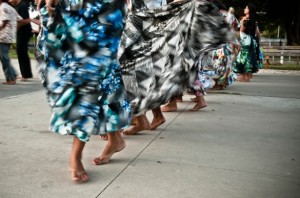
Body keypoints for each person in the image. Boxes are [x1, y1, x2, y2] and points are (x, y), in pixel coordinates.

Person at [36, 0, 131, 182]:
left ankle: (76, 154)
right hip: (75, 6)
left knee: (92, 71)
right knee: (97, 73)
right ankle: (115, 138)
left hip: (107, 7)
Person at [119, 0, 235, 117]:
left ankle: (164, 108)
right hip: (161, 29)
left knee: (171, 69)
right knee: (171, 69)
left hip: (156, 30)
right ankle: (159, 111)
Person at [232, 3, 261, 82]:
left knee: (242, 58)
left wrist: (241, 22)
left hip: (244, 40)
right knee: (248, 58)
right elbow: (255, 32)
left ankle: (243, 77)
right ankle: (246, 76)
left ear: (249, 10)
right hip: (250, 40)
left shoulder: (245, 19)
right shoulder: (253, 20)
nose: (244, 9)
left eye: (246, 8)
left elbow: (241, 30)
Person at [9, 0, 33, 81]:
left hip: (25, 31)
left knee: (21, 51)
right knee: (20, 51)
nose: (9, 1)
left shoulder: (22, 6)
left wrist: (15, 27)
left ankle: (25, 75)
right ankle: (26, 74)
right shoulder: (13, 5)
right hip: (19, 31)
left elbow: (25, 20)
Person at [0, 0, 22, 85]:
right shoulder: (11, 8)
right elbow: (19, 19)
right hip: (9, 36)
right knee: (4, 56)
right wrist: (13, 30)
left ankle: (10, 79)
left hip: (3, 36)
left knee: (4, 57)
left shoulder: (3, 7)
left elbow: (5, 20)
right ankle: (14, 74)